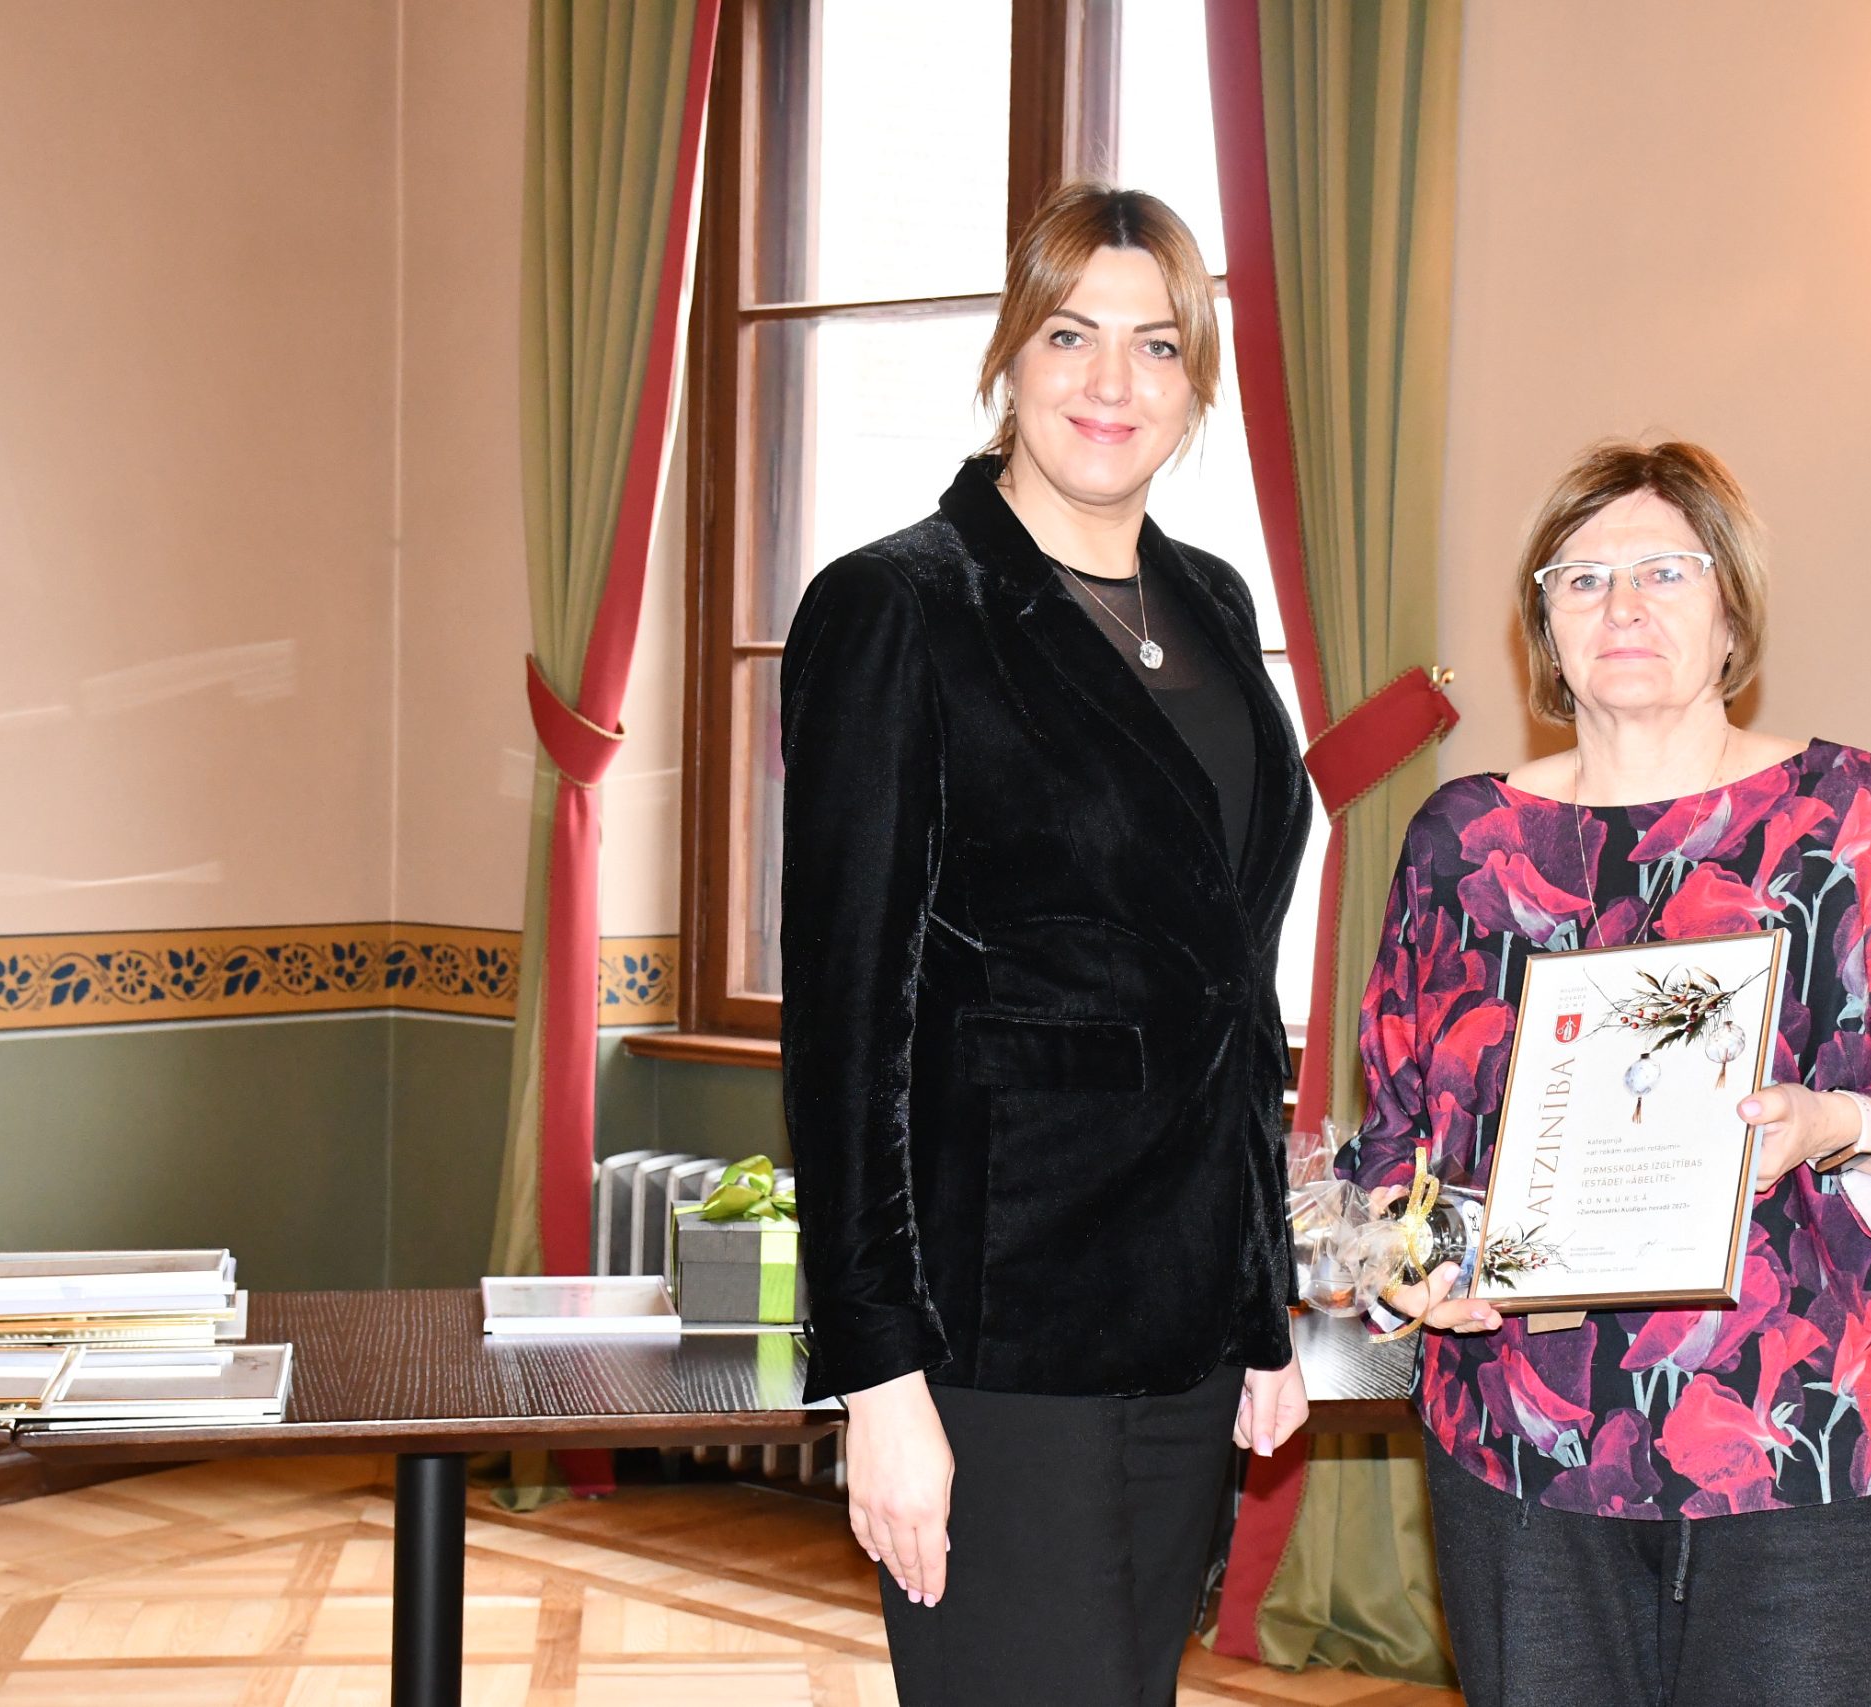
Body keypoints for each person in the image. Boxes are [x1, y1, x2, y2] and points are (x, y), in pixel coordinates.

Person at [1350, 440, 1871, 1707]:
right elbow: (1399, 1140)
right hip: (1519, 1447)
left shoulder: (1848, 815)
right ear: (1542, 629)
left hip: (1810, 1446)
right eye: (1582, 579)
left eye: (1665, 572)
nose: (1622, 605)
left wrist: (1832, 1123)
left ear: (1731, 611)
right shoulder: (1462, 841)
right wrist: (1414, 1268)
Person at [777, 182, 1314, 1706]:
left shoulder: (1212, 604)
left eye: (1158, 345)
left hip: (1186, 1321)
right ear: (1010, 354)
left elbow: (1232, 986)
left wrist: (1261, 1303)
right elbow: (846, 1025)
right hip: (994, 1334)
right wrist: (880, 1378)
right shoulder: (898, 605)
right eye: (1071, 334)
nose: (1111, 380)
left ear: (1196, 384)